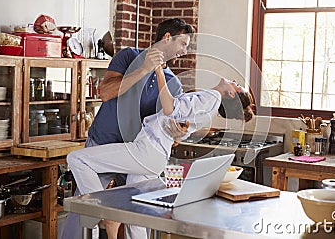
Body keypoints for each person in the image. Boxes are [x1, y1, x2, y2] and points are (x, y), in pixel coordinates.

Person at [67, 60, 255, 239]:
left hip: (147, 150)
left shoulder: (212, 97)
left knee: (77, 159)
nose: (235, 82)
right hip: (156, 155)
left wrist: (157, 70)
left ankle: (104, 211)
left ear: (231, 94)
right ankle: (107, 213)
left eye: (237, 85)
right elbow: (180, 128)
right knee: (136, 216)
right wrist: (178, 133)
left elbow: (169, 107)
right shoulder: (210, 109)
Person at [61, 18, 194, 239]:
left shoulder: (173, 83)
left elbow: (165, 126)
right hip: (103, 142)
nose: (185, 51)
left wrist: (179, 131)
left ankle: (109, 216)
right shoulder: (128, 56)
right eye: (183, 44)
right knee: (84, 208)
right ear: (167, 37)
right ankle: (102, 217)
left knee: (136, 210)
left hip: (135, 152)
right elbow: (106, 92)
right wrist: (144, 69)